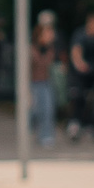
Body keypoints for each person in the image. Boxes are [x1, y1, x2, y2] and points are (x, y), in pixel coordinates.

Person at [67, 13, 94, 141]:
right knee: (79, 97)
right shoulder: (80, 35)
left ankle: (93, 126)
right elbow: (76, 51)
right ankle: (74, 124)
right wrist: (80, 64)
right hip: (80, 73)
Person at [29, 12, 59, 148]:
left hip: (46, 83)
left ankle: (46, 136)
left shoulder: (50, 49)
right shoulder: (32, 48)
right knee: (34, 111)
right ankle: (30, 132)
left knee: (47, 109)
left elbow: (50, 64)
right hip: (33, 84)